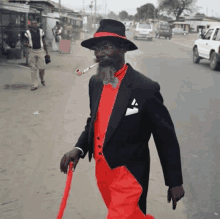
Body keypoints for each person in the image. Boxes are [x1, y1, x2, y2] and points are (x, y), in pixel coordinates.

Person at [60, 19, 185, 219]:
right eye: (97, 49)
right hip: (103, 172)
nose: (100, 54)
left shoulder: (144, 88)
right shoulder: (95, 83)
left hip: (129, 174)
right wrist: (80, 148)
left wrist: (174, 181)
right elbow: (94, 121)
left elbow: (166, 137)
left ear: (123, 48)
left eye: (108, 47)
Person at [24, 20, 49, 91]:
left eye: (36, 23)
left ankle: (42, 78)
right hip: (32, 51)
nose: (35, 25)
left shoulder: (41, 31)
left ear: (37, 24)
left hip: (40, 50)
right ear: (31, 25)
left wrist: (46, 52)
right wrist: (26, 44)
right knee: (33, 68)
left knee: (42, 67)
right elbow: (25, 42)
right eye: (33, 23)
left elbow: (44, 42)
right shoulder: (27, 33)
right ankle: (35, 84)